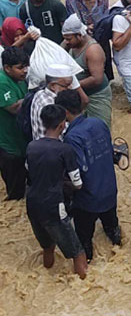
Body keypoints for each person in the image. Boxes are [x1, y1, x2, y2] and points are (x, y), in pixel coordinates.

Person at [56, 89, 121, 263]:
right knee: (113, 228)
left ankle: (88, 264)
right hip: (109, 190)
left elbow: (78, 169)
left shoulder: (72, 137)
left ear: (65, 112)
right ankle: (118, 247)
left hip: (88, 199)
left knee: (84, 238)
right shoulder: (99, 123)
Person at [25, 104, 88, 278]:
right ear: (62, 125)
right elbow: (78, 182)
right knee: (77, 251)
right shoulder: (64, 150)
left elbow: (30, 173)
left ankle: (47, 274)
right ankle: (83, 282)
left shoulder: (31, 146)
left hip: (32, 203)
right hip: (53, 206)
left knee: (47, 247)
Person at [63, 14, 112, 128]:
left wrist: (73, 86)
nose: (66, 42)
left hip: (97, 96)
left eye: (68, 39)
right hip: (80, 95)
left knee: (100, 127)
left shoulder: (92, 50)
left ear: (79, 36)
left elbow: (97, 79)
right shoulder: (72, 44)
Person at [0, 46, 29, 200]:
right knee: (15, 187)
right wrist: (34, 96)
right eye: (20, 68)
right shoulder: (2, 82)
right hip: (8, 143)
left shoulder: (19, 79)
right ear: (7, 68)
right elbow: (14, 108)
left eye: (26, 66)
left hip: (21, 139)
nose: (25, 70)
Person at [30, 64, 84, 140]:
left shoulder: (39, 94)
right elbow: (65, 134)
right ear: (52, 86)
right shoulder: (51, 105)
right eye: (66, 86)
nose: (70, 88)